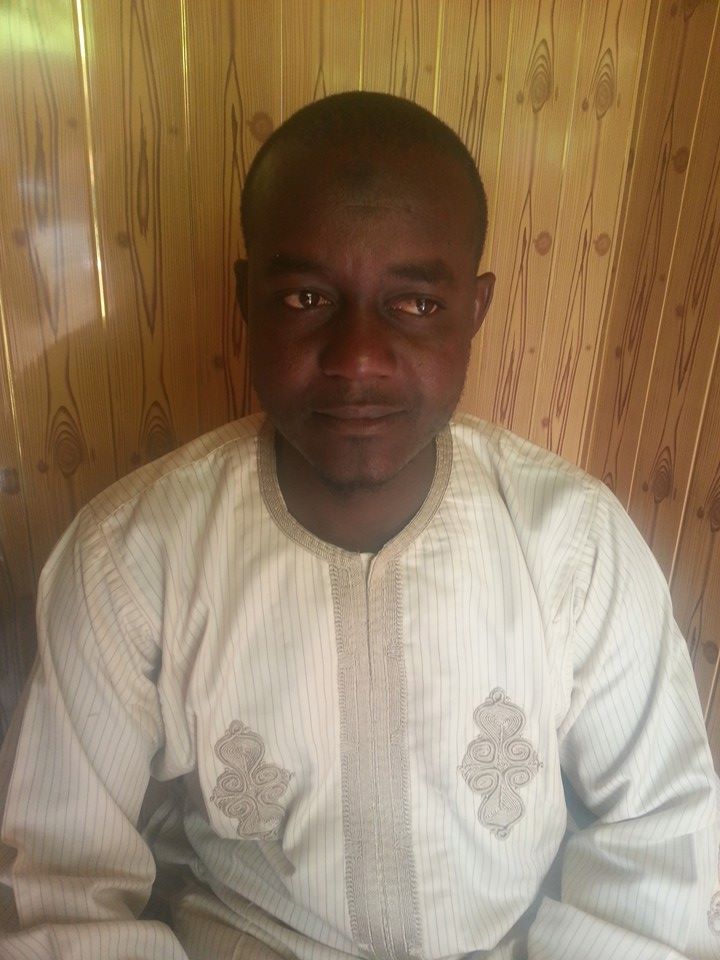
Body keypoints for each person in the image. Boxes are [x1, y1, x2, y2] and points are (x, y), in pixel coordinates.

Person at [0, 91, 718, 960]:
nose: (358, 358)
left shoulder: (575, 543)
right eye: (307, 296)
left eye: (415, 305)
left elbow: (663, 838)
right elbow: (61, 884)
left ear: (475, 311)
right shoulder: (129, 558)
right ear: (247, 300)